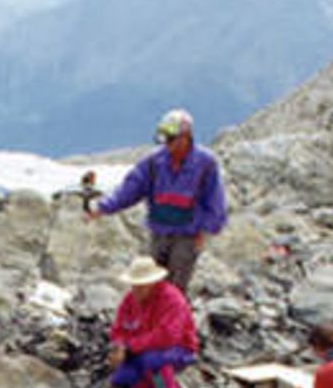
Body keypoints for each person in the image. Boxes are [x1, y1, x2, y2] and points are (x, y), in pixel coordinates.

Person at [85, 107, 229, 295]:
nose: (166, 144)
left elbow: (215, 200)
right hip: (158, 233)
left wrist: (206, 230)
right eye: (164, 139)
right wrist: (102, 207)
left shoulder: (206, 163)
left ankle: (174, 323)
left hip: (187, 236)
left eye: (170, 139)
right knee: (149, 285)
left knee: (176, 289)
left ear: (185, 136)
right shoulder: (154, 162)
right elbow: (131, 188)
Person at [108, 256, 198, 388]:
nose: (137, 290)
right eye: (135, 285)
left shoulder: (172, 298)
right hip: (140, 349)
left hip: (179, 349)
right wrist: (118, 346)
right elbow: (118, 329)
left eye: (142, 286)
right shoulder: (130, 300)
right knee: (122, 378)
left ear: (153, 282)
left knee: (152, 361)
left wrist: (129, 347)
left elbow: (167, 336)